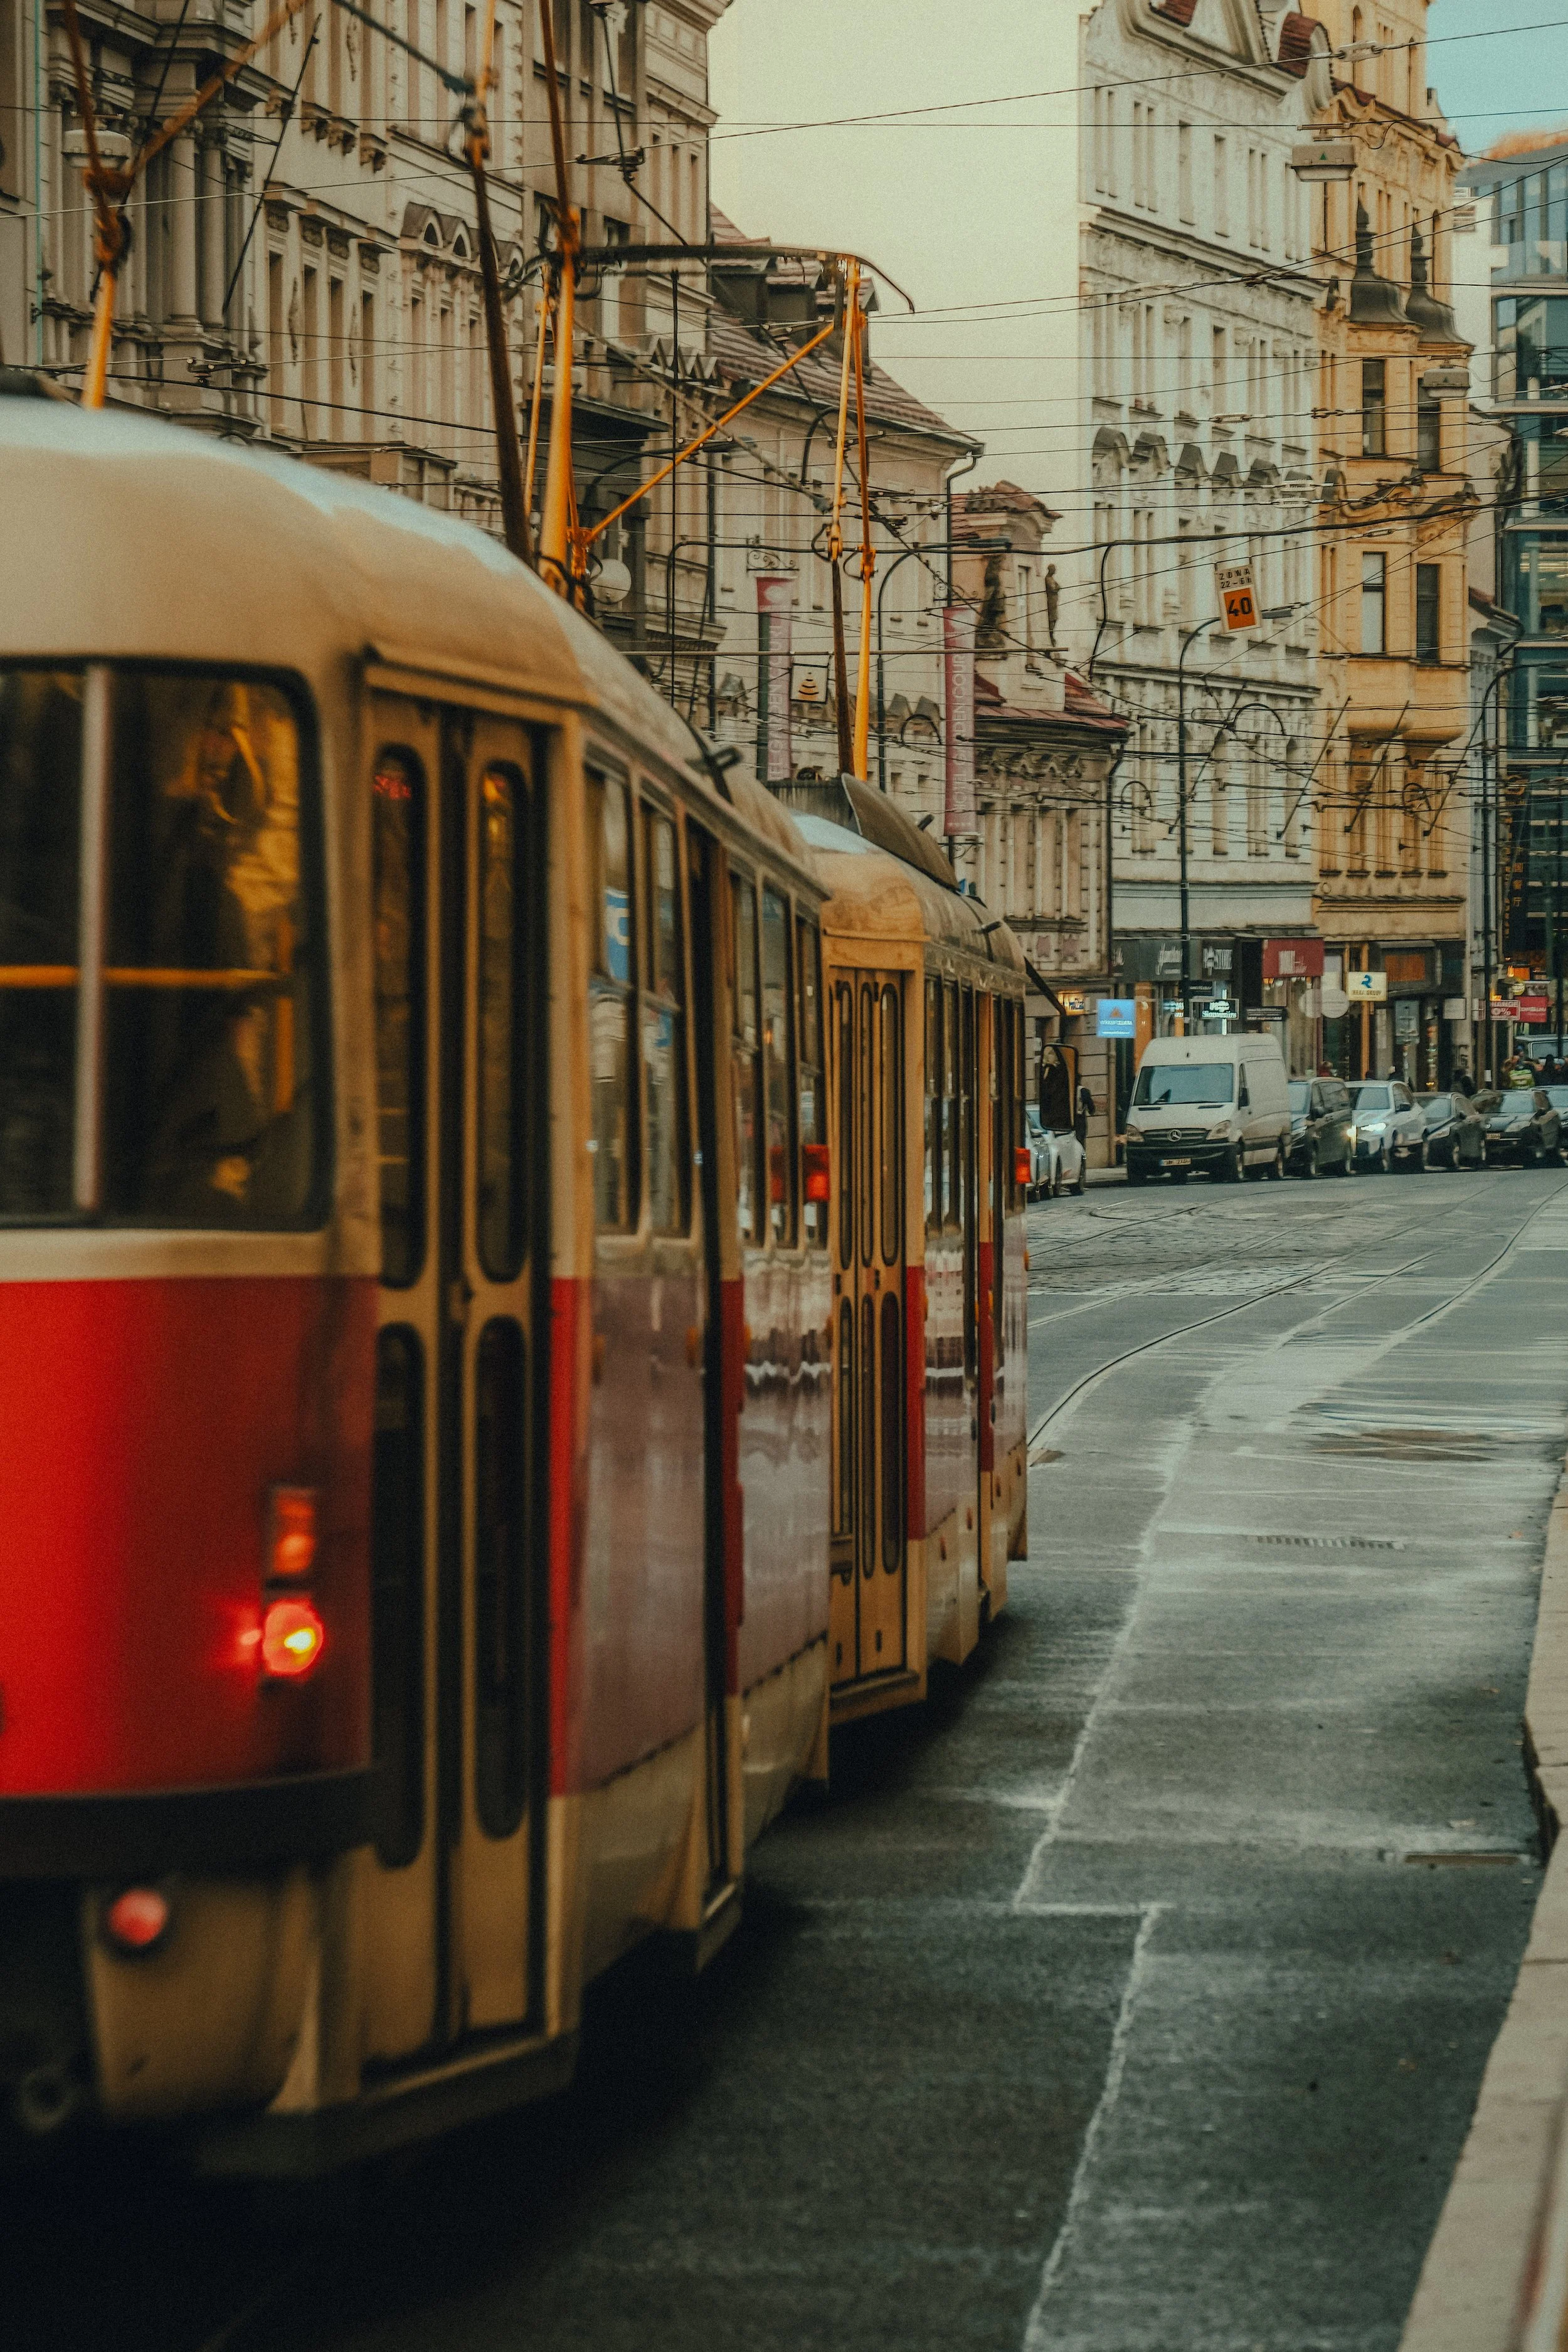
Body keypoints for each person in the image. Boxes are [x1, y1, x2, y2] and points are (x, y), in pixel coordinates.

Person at [1074, 1078, 1095, 1150]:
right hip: (1080, 1121)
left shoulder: (1066, 1091)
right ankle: (1082, 1160)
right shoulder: (1084, 1091)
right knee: (1081, 1145)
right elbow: (1091, 1109)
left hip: (1068, 1122)